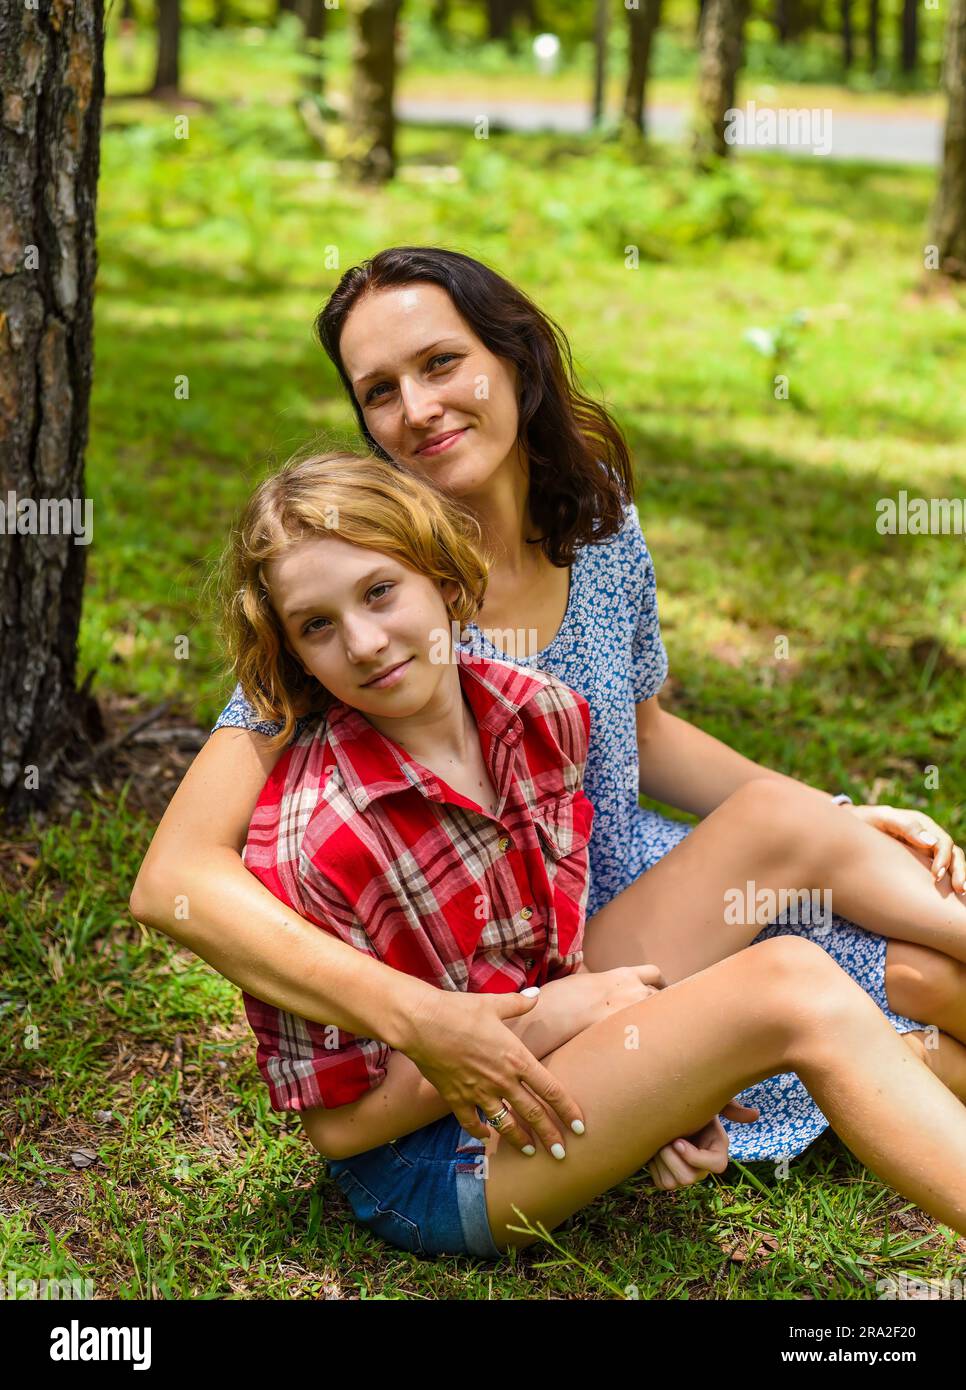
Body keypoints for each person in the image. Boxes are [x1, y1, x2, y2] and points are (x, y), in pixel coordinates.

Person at [130, 246, 966, 1188]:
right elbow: (175, 878)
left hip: (647, 891)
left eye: (440, 363)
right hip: (531, 968)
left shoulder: (598, 522)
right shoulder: (376, 606)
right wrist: (420, 1018)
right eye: (379, 391)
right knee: (907, 988)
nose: (417, 409)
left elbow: (642, 733)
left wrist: (836, 818)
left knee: (926, 968)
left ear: (515, 360)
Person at [210, 447, 966, 1258]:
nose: (362, 641)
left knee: (790, 827)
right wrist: (560, 1025)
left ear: (444, 577)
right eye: (316, 626)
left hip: (557, 1026)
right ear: (291, 653)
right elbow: (342, 1131)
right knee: (791, 987)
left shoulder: (533, 713)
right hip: (438, 1161)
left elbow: (555, 957)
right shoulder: (317, 840)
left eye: (381, 591)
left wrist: (661, 1078)